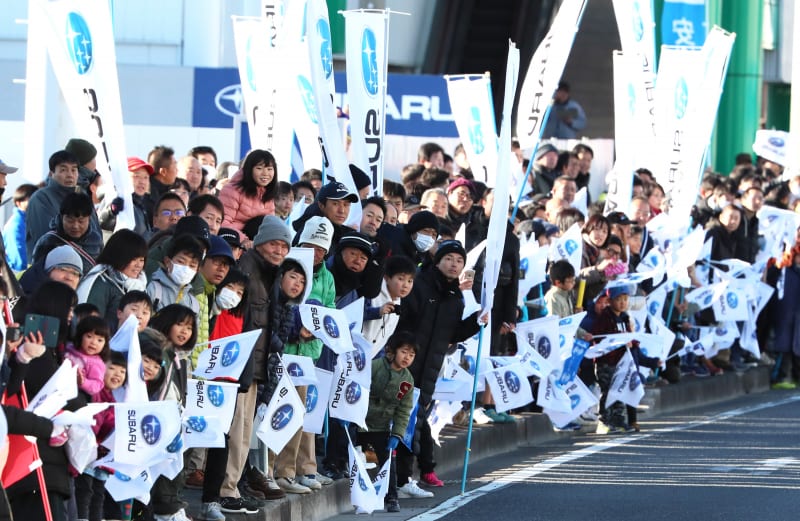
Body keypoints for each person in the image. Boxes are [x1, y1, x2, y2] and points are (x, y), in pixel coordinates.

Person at [395, 240, 481, 495]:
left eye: (459, 261)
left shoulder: (456, 297)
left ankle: (403, 480)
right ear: (437, 260)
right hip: (404, 363)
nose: (454, 265)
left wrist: (478, 321)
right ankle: (396, 480)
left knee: (413, 420)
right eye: (449, 259)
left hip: (430, 369)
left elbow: (453, 333)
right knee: (398, 420)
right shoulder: (419, 284)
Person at [220, 215, 292, 513]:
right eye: (274, 243)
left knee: (245, 431)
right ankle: (228, 489)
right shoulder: (247, 271)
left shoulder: (267, 272)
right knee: (238, 430)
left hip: (255, 365)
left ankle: (234, 485)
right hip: (241, 366)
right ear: (260, 242)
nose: (279, 250)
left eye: (284, 246)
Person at [357, 331, 417, 513]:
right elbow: (358, 388)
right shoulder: (375, 366)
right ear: (392, 351)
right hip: (359, 420)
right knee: (347, 451)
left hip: (381, 426)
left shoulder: (407, 380)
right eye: (404, 352)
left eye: (412, 355)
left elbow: (403, 410)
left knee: (388, 461)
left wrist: (397, 434)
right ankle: (334, 466)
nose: (407, 357)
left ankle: (391, 497)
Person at [592, 285, 662, 434]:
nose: (623, 303)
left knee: (620, 391)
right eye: (618, 299)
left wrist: (634, 345)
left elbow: (631, 339)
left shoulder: (624, 318)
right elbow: (600, 339)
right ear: (610, 301)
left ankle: (618, 420)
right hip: (606, 362)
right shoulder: (605, 318)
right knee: (608, 392)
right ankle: (604, 421)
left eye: (625, 299)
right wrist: (620, 343)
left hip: (621, 363)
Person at [75, 350, 127, 521]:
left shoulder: (115, 399)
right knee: (85, 492)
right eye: (112, 368)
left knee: (98, 495)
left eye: (122, 371)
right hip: (89, 454)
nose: (117, 374)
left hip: (104, 458)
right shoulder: (96, 393)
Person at [78, 229, 148, 330]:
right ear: (119, 256)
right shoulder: (101, 282)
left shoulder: (140, 285)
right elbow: (89, 324)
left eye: (141, 260)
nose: (138, 265)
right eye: (133, 259)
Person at [31, 191, 102, 275]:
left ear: (89, 219)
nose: (75, 226)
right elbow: (36, 274)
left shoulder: (96, 240)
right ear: (61, 217)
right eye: (70, 220)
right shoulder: (48, 242)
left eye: (81, 221)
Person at [218, 149, 278, 245]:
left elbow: (270, 225)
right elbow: (222, 222)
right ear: (249, 169)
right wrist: (244, 240)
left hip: (256, 243)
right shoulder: (232, 190)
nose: (265, 173)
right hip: (232, 242)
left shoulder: (267, 194)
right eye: (259, 168)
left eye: (269, 169)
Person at [362, 255, 417, 351]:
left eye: (410, 281)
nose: (405, 285)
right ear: (386, 278)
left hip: (367, 360)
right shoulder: (372, 292)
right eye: (401, 279)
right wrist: (377, 312)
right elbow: (354, 315)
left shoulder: (398, 303)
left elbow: (384, 339)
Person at [146, 234, 204, 313]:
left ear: (197, 271)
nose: (186, 268)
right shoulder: (152, 289)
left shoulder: (193, 305)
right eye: (181, 262)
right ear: (167, 262)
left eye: (192, 265)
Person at [63, 315, 110, 399]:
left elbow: (97, 385)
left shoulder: (96, 363)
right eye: (89, 336)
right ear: (80, 335)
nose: (94, 342)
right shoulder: (70, 347)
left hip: (76, 395)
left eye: (100, 340)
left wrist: (83, 382)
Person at [3, 183, 37, 272]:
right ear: (18, 203)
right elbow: (18, 260)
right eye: (31, 199)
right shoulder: (16, 225)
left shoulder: (30, 220)